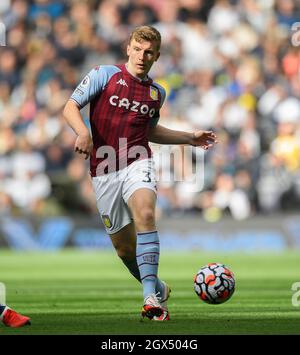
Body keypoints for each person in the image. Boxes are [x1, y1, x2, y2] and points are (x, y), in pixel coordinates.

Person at [63, 25, 217, 321]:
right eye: (138, 49)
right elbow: (70, 107)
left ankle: (150, 297)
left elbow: (148, 131)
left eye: (149, 52)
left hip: (137, 160)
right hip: (103, 168)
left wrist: (188, 137)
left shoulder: (156, 93)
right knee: (124, 250)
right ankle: (157, 286)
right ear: (128, 48)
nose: (142, 56)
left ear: (157, 56)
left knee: (145, 213)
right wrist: (82, 132)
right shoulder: (104, 74)